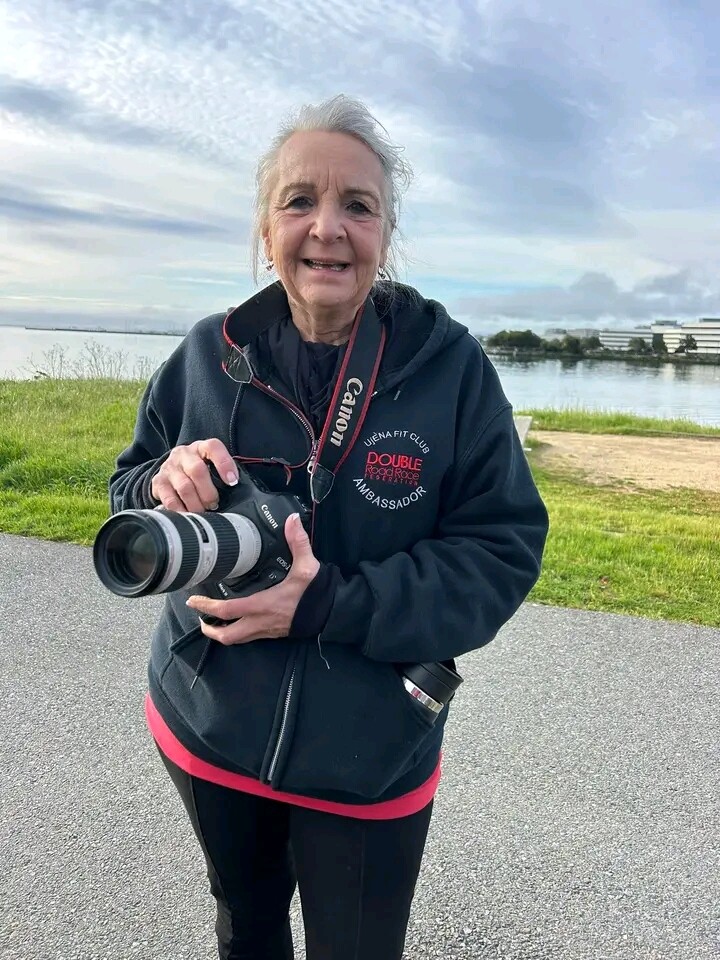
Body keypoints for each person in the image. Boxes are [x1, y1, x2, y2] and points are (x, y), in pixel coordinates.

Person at [109, 94, 549, 960]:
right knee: (247, 930)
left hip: (371, 752)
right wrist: (161, 483)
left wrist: (326, 604)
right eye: (299, 200)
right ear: (264, 228)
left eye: (358, 205)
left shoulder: (450, 369)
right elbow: (127, 488)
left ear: (386, 233)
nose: (327, 228)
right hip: (208, 722)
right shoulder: (205, 355)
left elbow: (500, 554)